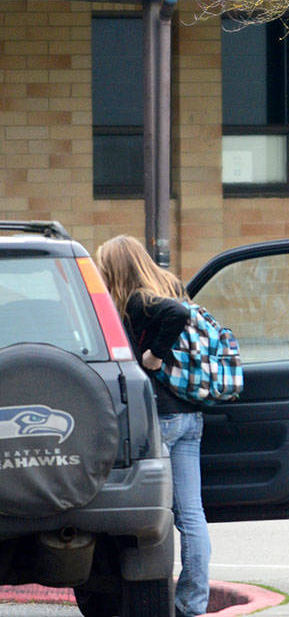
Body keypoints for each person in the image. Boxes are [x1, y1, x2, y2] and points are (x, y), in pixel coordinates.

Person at [94, 235, 210, 617]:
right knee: (192, 514)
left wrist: (153, 356)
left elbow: (175, 317)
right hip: (190, 412)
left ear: (115, 267)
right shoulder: (171, 285)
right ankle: (192, 604)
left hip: (162, 416)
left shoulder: (137, 299)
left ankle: (165, 596)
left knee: (151, 513)